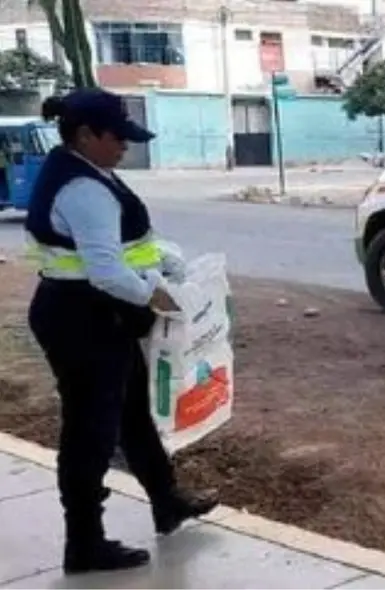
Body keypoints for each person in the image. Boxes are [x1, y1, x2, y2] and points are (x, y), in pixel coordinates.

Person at [24, 88, 218, 575]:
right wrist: (158, 296)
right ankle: (84, 542)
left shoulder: (84, 170)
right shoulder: (83, 189)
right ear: (86, 134)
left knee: (131, 414)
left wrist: (163, 261)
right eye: (118, 137)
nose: (125, 146)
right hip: (83, 319)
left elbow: (122, 245)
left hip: (88, 313)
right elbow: (107, 270)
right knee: (89, 432)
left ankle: (166, 501)